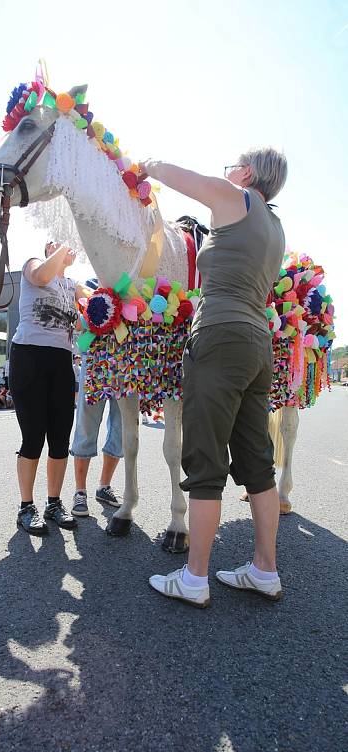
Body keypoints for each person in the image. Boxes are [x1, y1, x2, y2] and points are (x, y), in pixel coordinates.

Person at [141, 148, 287, 608]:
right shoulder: (276, 227)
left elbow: (182, 177)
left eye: (234, 164)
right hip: (257, 342)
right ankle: (266, 568)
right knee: (257, 463)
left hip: (220, 336)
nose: (228, 171)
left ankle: (194, 577)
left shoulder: (234, 197)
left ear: (247, 172)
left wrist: (149, 165)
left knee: (204, 462)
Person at [9, 241, 86, 534]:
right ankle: (26, 507)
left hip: (61, 360)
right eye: (59, 242)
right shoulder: (33, 264)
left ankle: (54, 503)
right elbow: (41, 276)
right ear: (48, 248)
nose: (67, 247)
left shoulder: (71, 284)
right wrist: (61, 247)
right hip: (29, 356)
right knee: (33, 436)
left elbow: (87, 316)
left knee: (60, 436)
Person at [70, 353, 123, 517]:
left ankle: (104, 487)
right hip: (95, 355)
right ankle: (80, 492)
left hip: (126, 358)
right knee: (86, 425)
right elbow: (78, 325)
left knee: (120, 429)